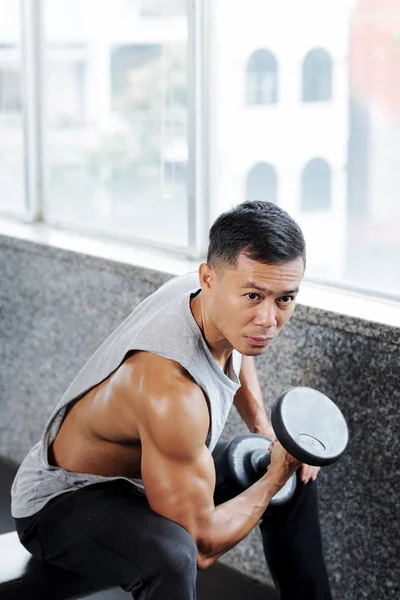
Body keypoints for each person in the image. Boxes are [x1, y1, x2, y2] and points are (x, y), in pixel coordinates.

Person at [11, 201, 332, 599]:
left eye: (284, 299)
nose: (268, 319)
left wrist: (264, 430)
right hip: (62, 502)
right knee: (174, 553)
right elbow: (201, 546)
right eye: (254, 296)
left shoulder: (214, 300)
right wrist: (274, 476)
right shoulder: (171, 391)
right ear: (209, 279)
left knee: (291, 472)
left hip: (153, 472)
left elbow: (241, 345)